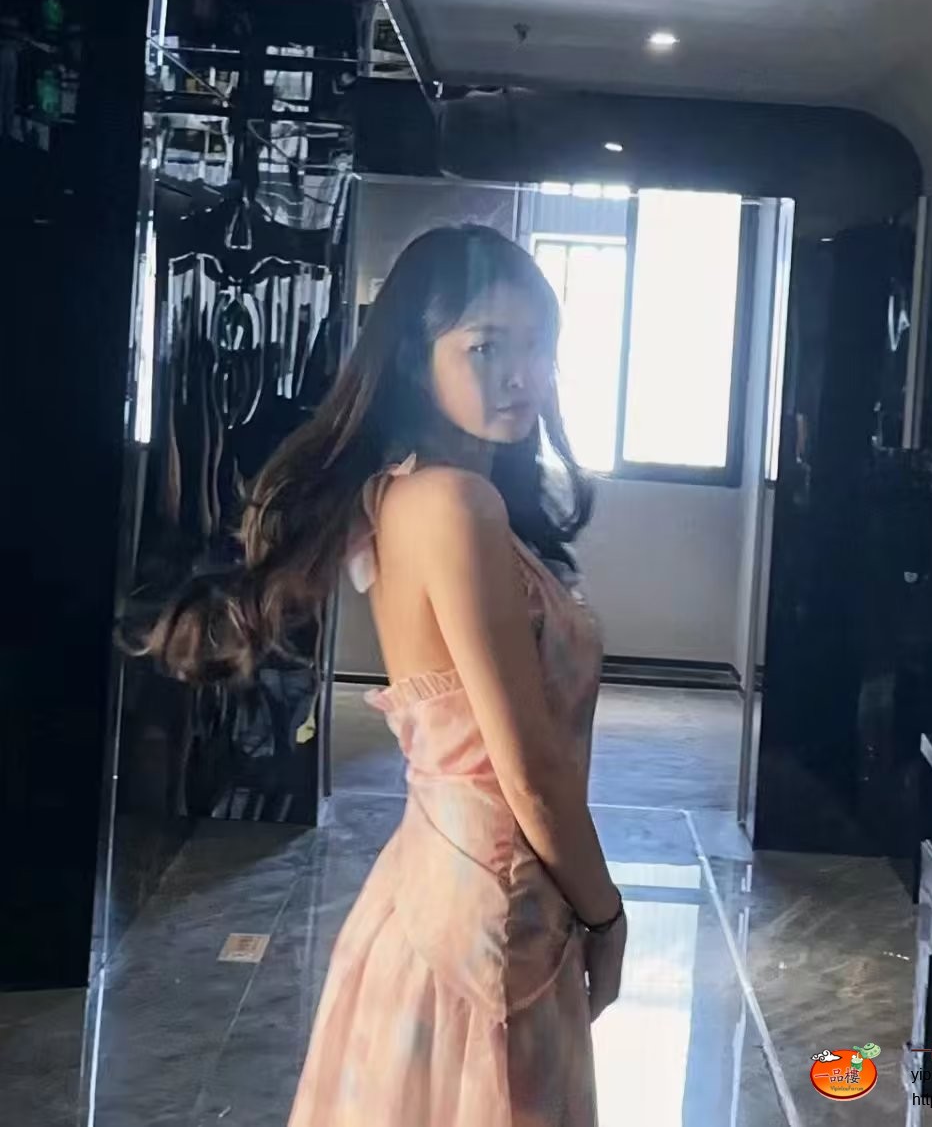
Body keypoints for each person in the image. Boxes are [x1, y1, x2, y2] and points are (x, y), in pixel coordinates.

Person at [140, 224, 627, 1125]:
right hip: (497, 910)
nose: (523, 375)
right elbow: (529, 772)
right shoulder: (455, 502)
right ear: (414, 356)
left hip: (444, 892)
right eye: (487, 347)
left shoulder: (403, 494)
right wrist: (606, 916)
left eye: (539, 346)